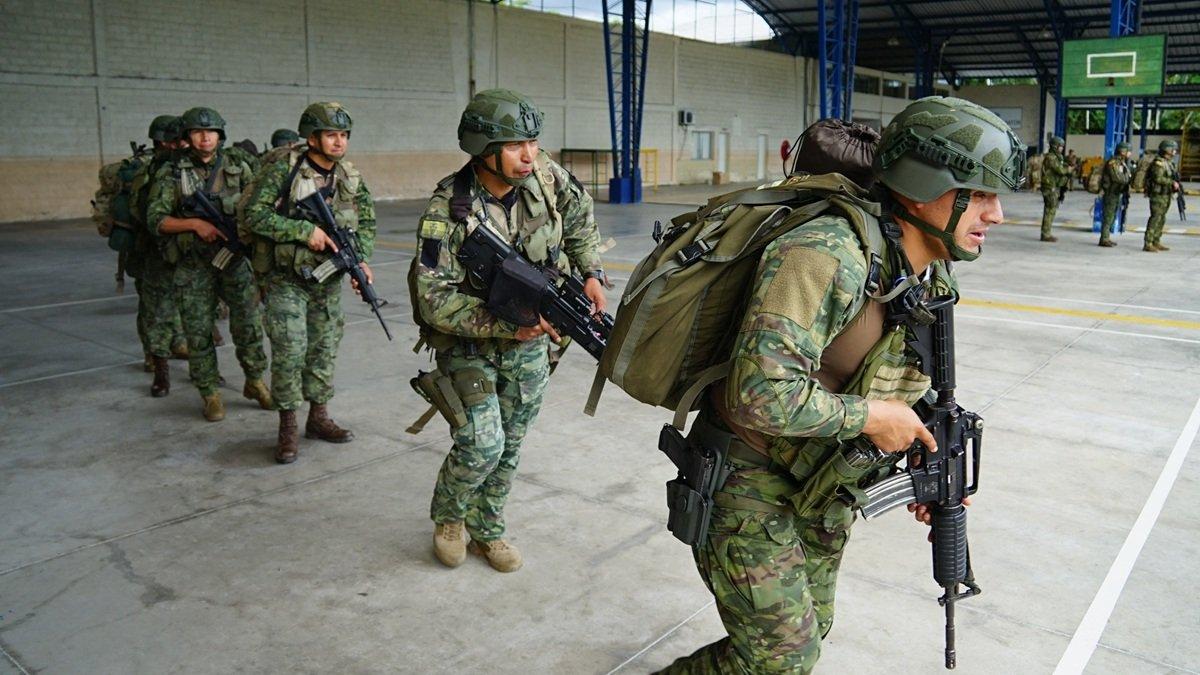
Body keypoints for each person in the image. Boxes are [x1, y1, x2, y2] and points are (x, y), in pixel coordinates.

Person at [656, 97, 1024, 673]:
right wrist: (875, 419)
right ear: (925, 186)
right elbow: (757, 395)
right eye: (978, 194)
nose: (997, 215)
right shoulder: (825, 255)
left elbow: (898, 374)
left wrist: (927, 457)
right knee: (781, 658)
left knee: (809, 634)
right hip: (748, 477)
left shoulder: (926, 266)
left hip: (824, 480)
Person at [411, 89, 606, 573]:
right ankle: (450, 516)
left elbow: (580, 220)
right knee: (482, 442)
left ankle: (489, 527)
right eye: (517, 145)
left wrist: (592, 272)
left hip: (530, 344)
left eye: (534, 142)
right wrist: (504, 324)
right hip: (470, 345)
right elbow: (432, 300)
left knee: (512, 443)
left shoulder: (546, 176)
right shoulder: (447, 211)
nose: (530, 155)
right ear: (483, 149)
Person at [243, 102, 376, 464]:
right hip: (287, 279)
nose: (339, 142)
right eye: (331, 135)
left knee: (323, 347)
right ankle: (287, 425)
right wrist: (305, 231)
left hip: (327, 279)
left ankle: (318, 417)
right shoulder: (285, 169)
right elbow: (254, 214)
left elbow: (365, 221)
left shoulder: (349, 176)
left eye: (344, 136)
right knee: (290, 349)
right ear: (311, 136)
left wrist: (360, 260)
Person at [146, 106, 271, 421]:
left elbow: (261, 206)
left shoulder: (240, 166)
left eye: (211, 131)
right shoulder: (172, 173)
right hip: (193, 265)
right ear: (188, 136)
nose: (205, 137)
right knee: (198, 330)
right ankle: (209, 393)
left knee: (249, 325)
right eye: (198, 132)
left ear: (220, 135)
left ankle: (255, 381)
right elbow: (156, 220)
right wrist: (194, 225)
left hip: (235, 259)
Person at [127, 115, 190, 395]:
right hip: (155, 248)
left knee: (183, 306)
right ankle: (155, 359)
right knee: (154, 308)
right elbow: (139, 211)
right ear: (166, 140)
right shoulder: (149, 169)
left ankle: (175, 346)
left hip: (185, 249)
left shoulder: (185, 166)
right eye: (181, 140)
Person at [1143, 139, 1181, 252]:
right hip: (1158, 195)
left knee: (1162, 218)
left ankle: (1156, 240)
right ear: (1167, 149)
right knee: (1155, 218)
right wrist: (1171, 183)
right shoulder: (1158, 163)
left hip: (1166, 194)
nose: (1175, 151)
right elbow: (1158, 178)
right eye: (1173, 149)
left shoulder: (1169, 163)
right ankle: (1148, 243)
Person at [1098, 142, 1132, 247]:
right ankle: (1104, 239)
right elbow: (1117, 177)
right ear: (1123, 151)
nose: (1130, 153)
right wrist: (1128, 179)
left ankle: (1106, 237)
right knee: (1108, 216)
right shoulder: (1113, 163)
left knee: (1112, 215)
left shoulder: (1122, 163)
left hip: (1117, 192)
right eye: (1128, 151)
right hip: (1110, 193)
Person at [1040, 136, 1069, 242]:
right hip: (1050, 187)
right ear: (1054, 146)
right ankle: (1045, 234)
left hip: (1054, 186)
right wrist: (1068, 169)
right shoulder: (1051, 157)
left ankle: (1047, 232)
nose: (1061, 148)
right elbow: (1060, 170)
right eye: (1060, 146)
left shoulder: (1057, 157)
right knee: (1049, 210)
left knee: (1052, 210)